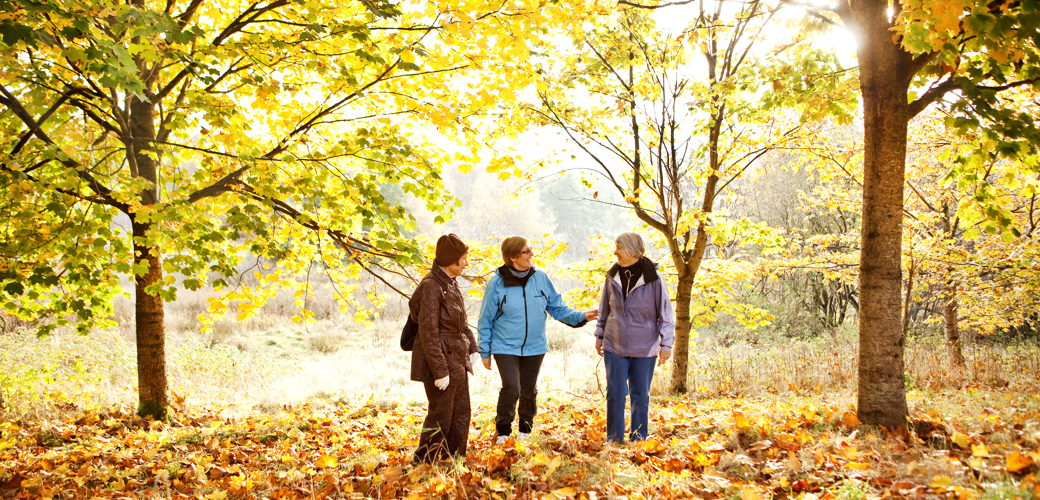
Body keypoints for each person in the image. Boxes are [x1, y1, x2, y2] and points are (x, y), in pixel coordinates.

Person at [477, 236, 598, 444]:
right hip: (505, 345)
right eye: (527, 251)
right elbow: (485, 318)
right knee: (511, 387)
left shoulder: (540, 278)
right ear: (514, 256)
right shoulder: (497, 282)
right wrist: (485, 351)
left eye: (531, 250)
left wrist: (581, 316)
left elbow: (556, 307)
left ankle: (525, 430)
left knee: (528, 389)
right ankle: (504, 431)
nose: (532, 254)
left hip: (535, 346)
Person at [594, 232, 675, 443]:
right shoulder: (612, 276)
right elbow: (604, 309)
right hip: (615, 343)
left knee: (640, 395)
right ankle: (614, 440)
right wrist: (600, 334)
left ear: (631, 250)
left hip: (645, 346)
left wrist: (666, 344)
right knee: (615, 393)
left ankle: (639, 439)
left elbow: (665, 313)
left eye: (618, 247)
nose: (615, 252)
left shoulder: (654, 278)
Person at [410, 234, 481, 462]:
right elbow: (428, 332)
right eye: (464, 258)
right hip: (439, 361)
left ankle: (454, 458)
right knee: (441, 414)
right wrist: (440, 371)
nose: (467, 263)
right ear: (452, 260)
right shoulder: (431, 286)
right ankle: (424, 461)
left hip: (457, 358)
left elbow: (461, 323)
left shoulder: (450, 283)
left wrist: (473, 348)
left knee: (460, 412)